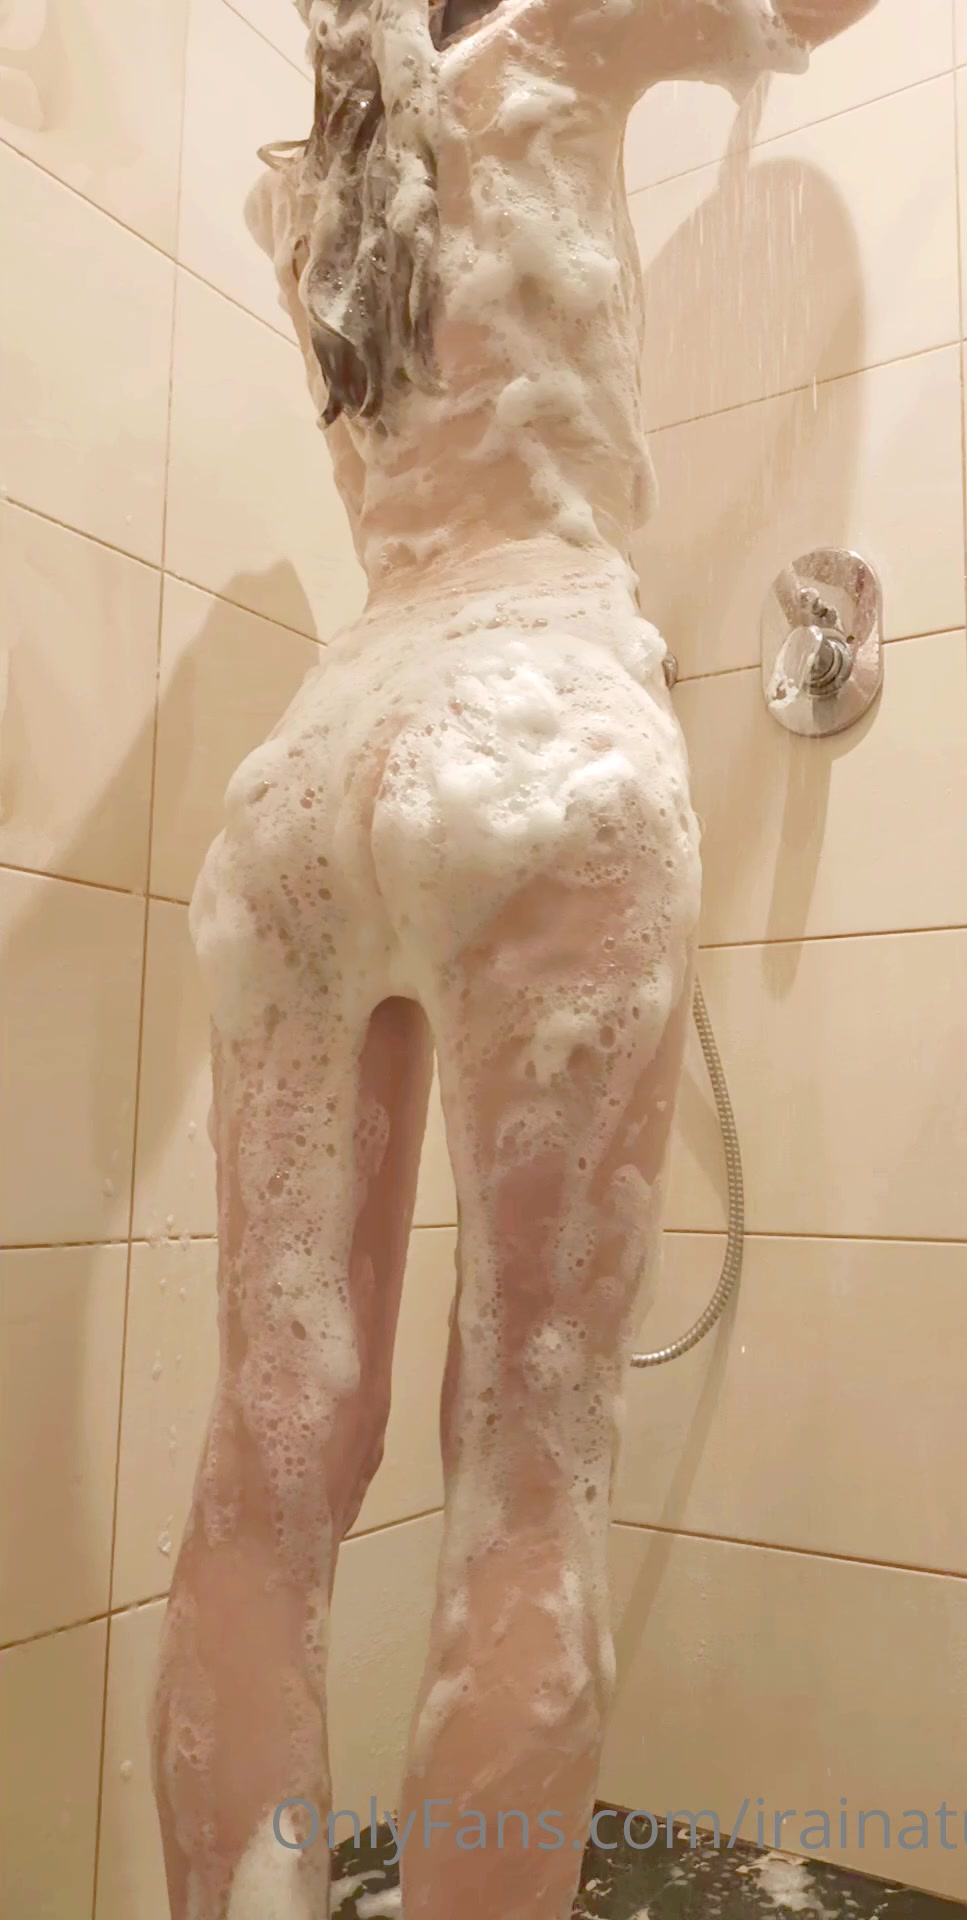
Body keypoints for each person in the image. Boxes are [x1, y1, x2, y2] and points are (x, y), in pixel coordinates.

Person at [150, 3, 876, 1915]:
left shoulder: (310, 187)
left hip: (312, 776)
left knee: (267, 1460)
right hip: (537, 714)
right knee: (530, 1465)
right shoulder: (562, 33)